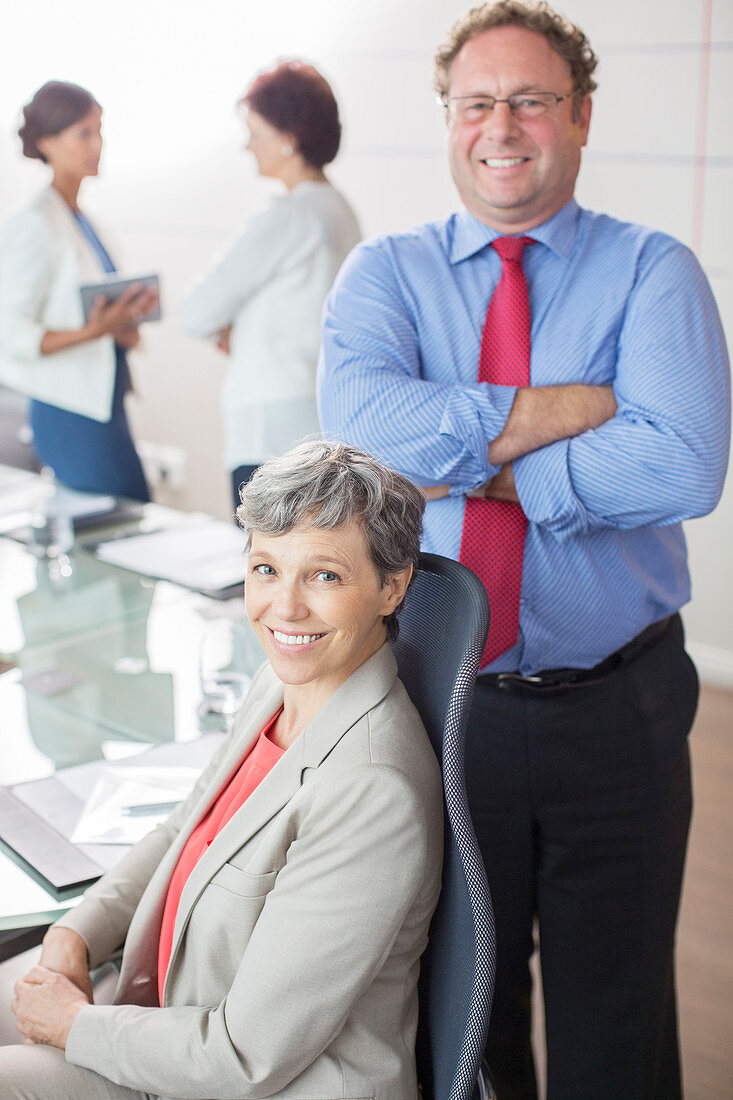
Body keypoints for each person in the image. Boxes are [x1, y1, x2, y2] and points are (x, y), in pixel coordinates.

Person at [317, 2, 731, 1097]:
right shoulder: (385, 275)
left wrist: (470, 457)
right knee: (460, 1012)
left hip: (619, 708)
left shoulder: (654, 270)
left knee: (616, 1019)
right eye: (476, 103)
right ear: (448, 121)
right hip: (440, 707)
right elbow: (361, 428)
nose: (502, 125)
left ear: (580, 116)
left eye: (531, 99)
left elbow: (681, 467)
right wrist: (572, 413)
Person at [3, 440, 443, 1100]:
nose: (283, 608)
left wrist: (74, 1025)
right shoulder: (280, 683)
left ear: (392, 586)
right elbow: (184, 827)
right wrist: (75, 936)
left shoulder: (370, 788)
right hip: (167, 1013)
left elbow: (242, 1059)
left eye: (323, 576)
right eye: (266, 569)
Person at [181, 61, 361, 511]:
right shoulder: (340, 211)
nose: (247, 146)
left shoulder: (287, 215)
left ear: (288, 138)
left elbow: (196, 312)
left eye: (255, 132)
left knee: (263, 569)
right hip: (319, 420)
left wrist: (229, 328)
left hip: (267, 428)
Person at [0, 81, 157, 501]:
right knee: (121, 517)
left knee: (133, 511)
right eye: (83, 133)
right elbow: (11, 336)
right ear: (47, 142)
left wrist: (125, 323)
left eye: (99, 131)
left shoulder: (86, 223)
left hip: (105, 400)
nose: (97, 145)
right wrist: (95, 330)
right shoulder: (33, 223)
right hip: (67, 409)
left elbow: (98, 318)